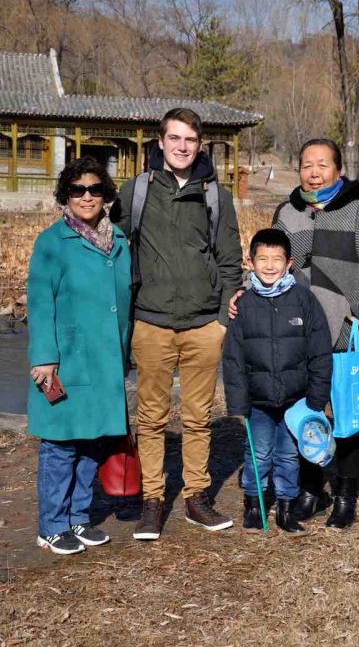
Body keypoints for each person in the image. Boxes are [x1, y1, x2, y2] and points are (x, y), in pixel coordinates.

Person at [229, 138, 359, 528]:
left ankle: (345, 494)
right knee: (302, 414)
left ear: (338, 170)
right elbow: (271, 263)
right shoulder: (288, 212)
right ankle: (309, 488)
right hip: (296, 335)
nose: (314, 171)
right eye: (306, 164)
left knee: (346, 416)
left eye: (323, 164)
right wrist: (246, 292)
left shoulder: (358, 212)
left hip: (344, 334)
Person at [110, 108, 242, 539]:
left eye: (190, 140)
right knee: (150, 417)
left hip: (204, 324)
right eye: (175, 139)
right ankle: (151, 499)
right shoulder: (138, 191)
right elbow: (110, 245)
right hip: (151, 322)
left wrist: (222, 320)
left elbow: (229, 262)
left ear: (199, 144)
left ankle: (195, 497)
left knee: (199, 416)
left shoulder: (216, 196)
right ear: (160, 142)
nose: (182, 147)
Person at [27, 157, 132, 555]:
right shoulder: (51, 242)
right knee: (60, 443)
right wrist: (44, 358)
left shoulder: (118, 241)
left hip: (105, 359)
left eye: (94, 189)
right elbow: (39, 304)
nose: (86, 196)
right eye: (77, 189)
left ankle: (77, 518)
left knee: (92, 441)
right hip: (66, 358)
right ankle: (51, 524)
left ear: (106, 195)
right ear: (65, 195)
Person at [223, 229, 332, 535]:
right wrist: (238, 403)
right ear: (250, 261)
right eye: (262, 259)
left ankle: (285, 505)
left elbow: (320, 351)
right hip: (257, 402)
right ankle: (255, 503)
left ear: (290, 263)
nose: (269, 266)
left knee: (288, 453)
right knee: (258, 453)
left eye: (277, 259)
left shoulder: (303, 300)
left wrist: (317, 397)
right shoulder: (243, 304)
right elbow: (232, 359)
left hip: (295, 400)